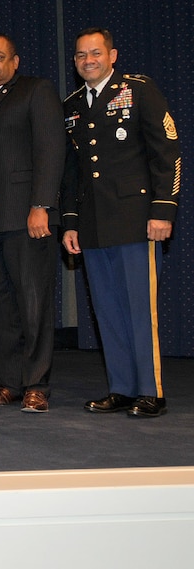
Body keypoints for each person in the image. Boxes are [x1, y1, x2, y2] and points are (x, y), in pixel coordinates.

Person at [61, 27, 180, 419]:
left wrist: (163, 209)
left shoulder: (139, 90)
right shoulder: (73, 104)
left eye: (95, 53)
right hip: (93, 224)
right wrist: (71, 223)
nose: (88, 60)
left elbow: (167, 151)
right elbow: (73, 172)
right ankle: (122, 387)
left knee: (138, 308)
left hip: (135, 219)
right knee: (107, 310)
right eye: (81, 55)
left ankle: (150, 390)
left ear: (112, 55)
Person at [0, 33, 64, 413]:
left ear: (15, 62)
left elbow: (51, 149)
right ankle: (9, 382)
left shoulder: (36, 90)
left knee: (33, 302)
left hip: (27, 217)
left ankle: (36, 384)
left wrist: (41, 204)